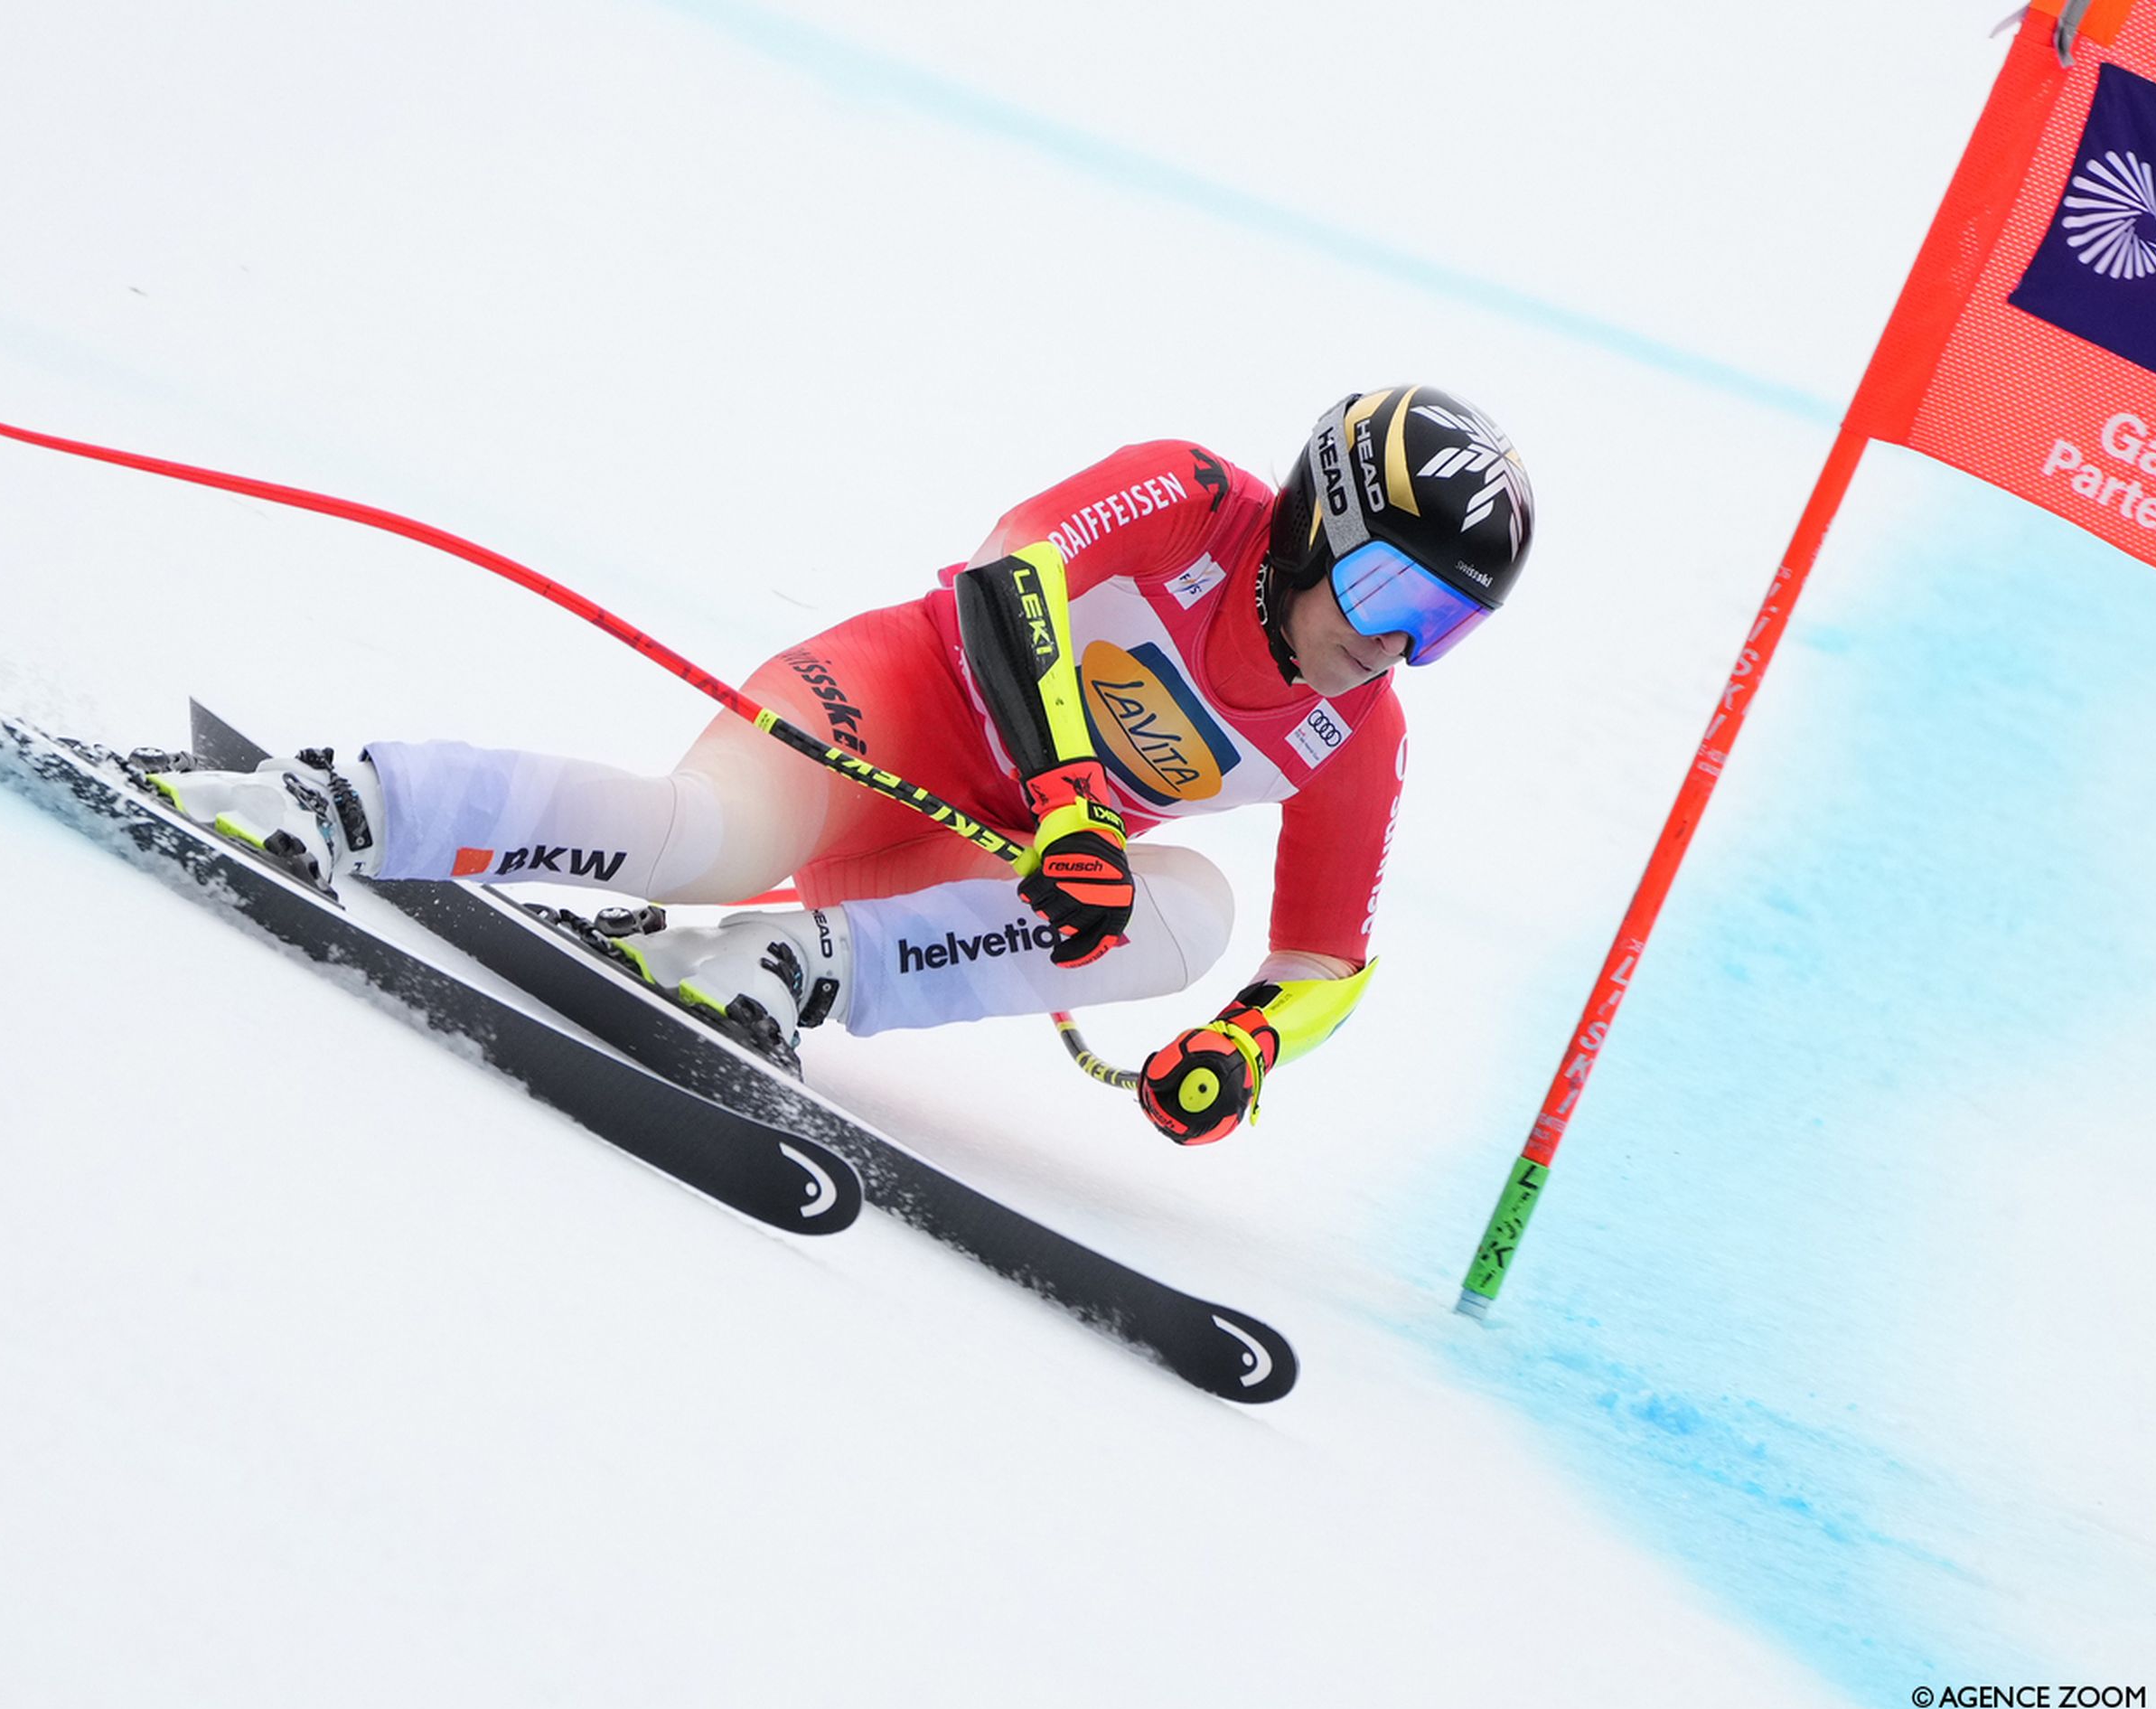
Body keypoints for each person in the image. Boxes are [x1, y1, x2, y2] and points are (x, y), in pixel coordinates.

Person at [145, 385, 1533, 1145]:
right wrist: (1064, 800)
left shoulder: (1360, 736)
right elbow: (1011, 578)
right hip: (886, 713)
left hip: (966, 861)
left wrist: (1243, 1047)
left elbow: (1326, 965)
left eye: (1444, 629)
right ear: (1314, 526)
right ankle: (340, 800)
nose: (1393, 649)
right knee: (712, 838)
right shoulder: (1190, 498)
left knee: (1193, 913)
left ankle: (778, 966)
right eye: (1390, 597)